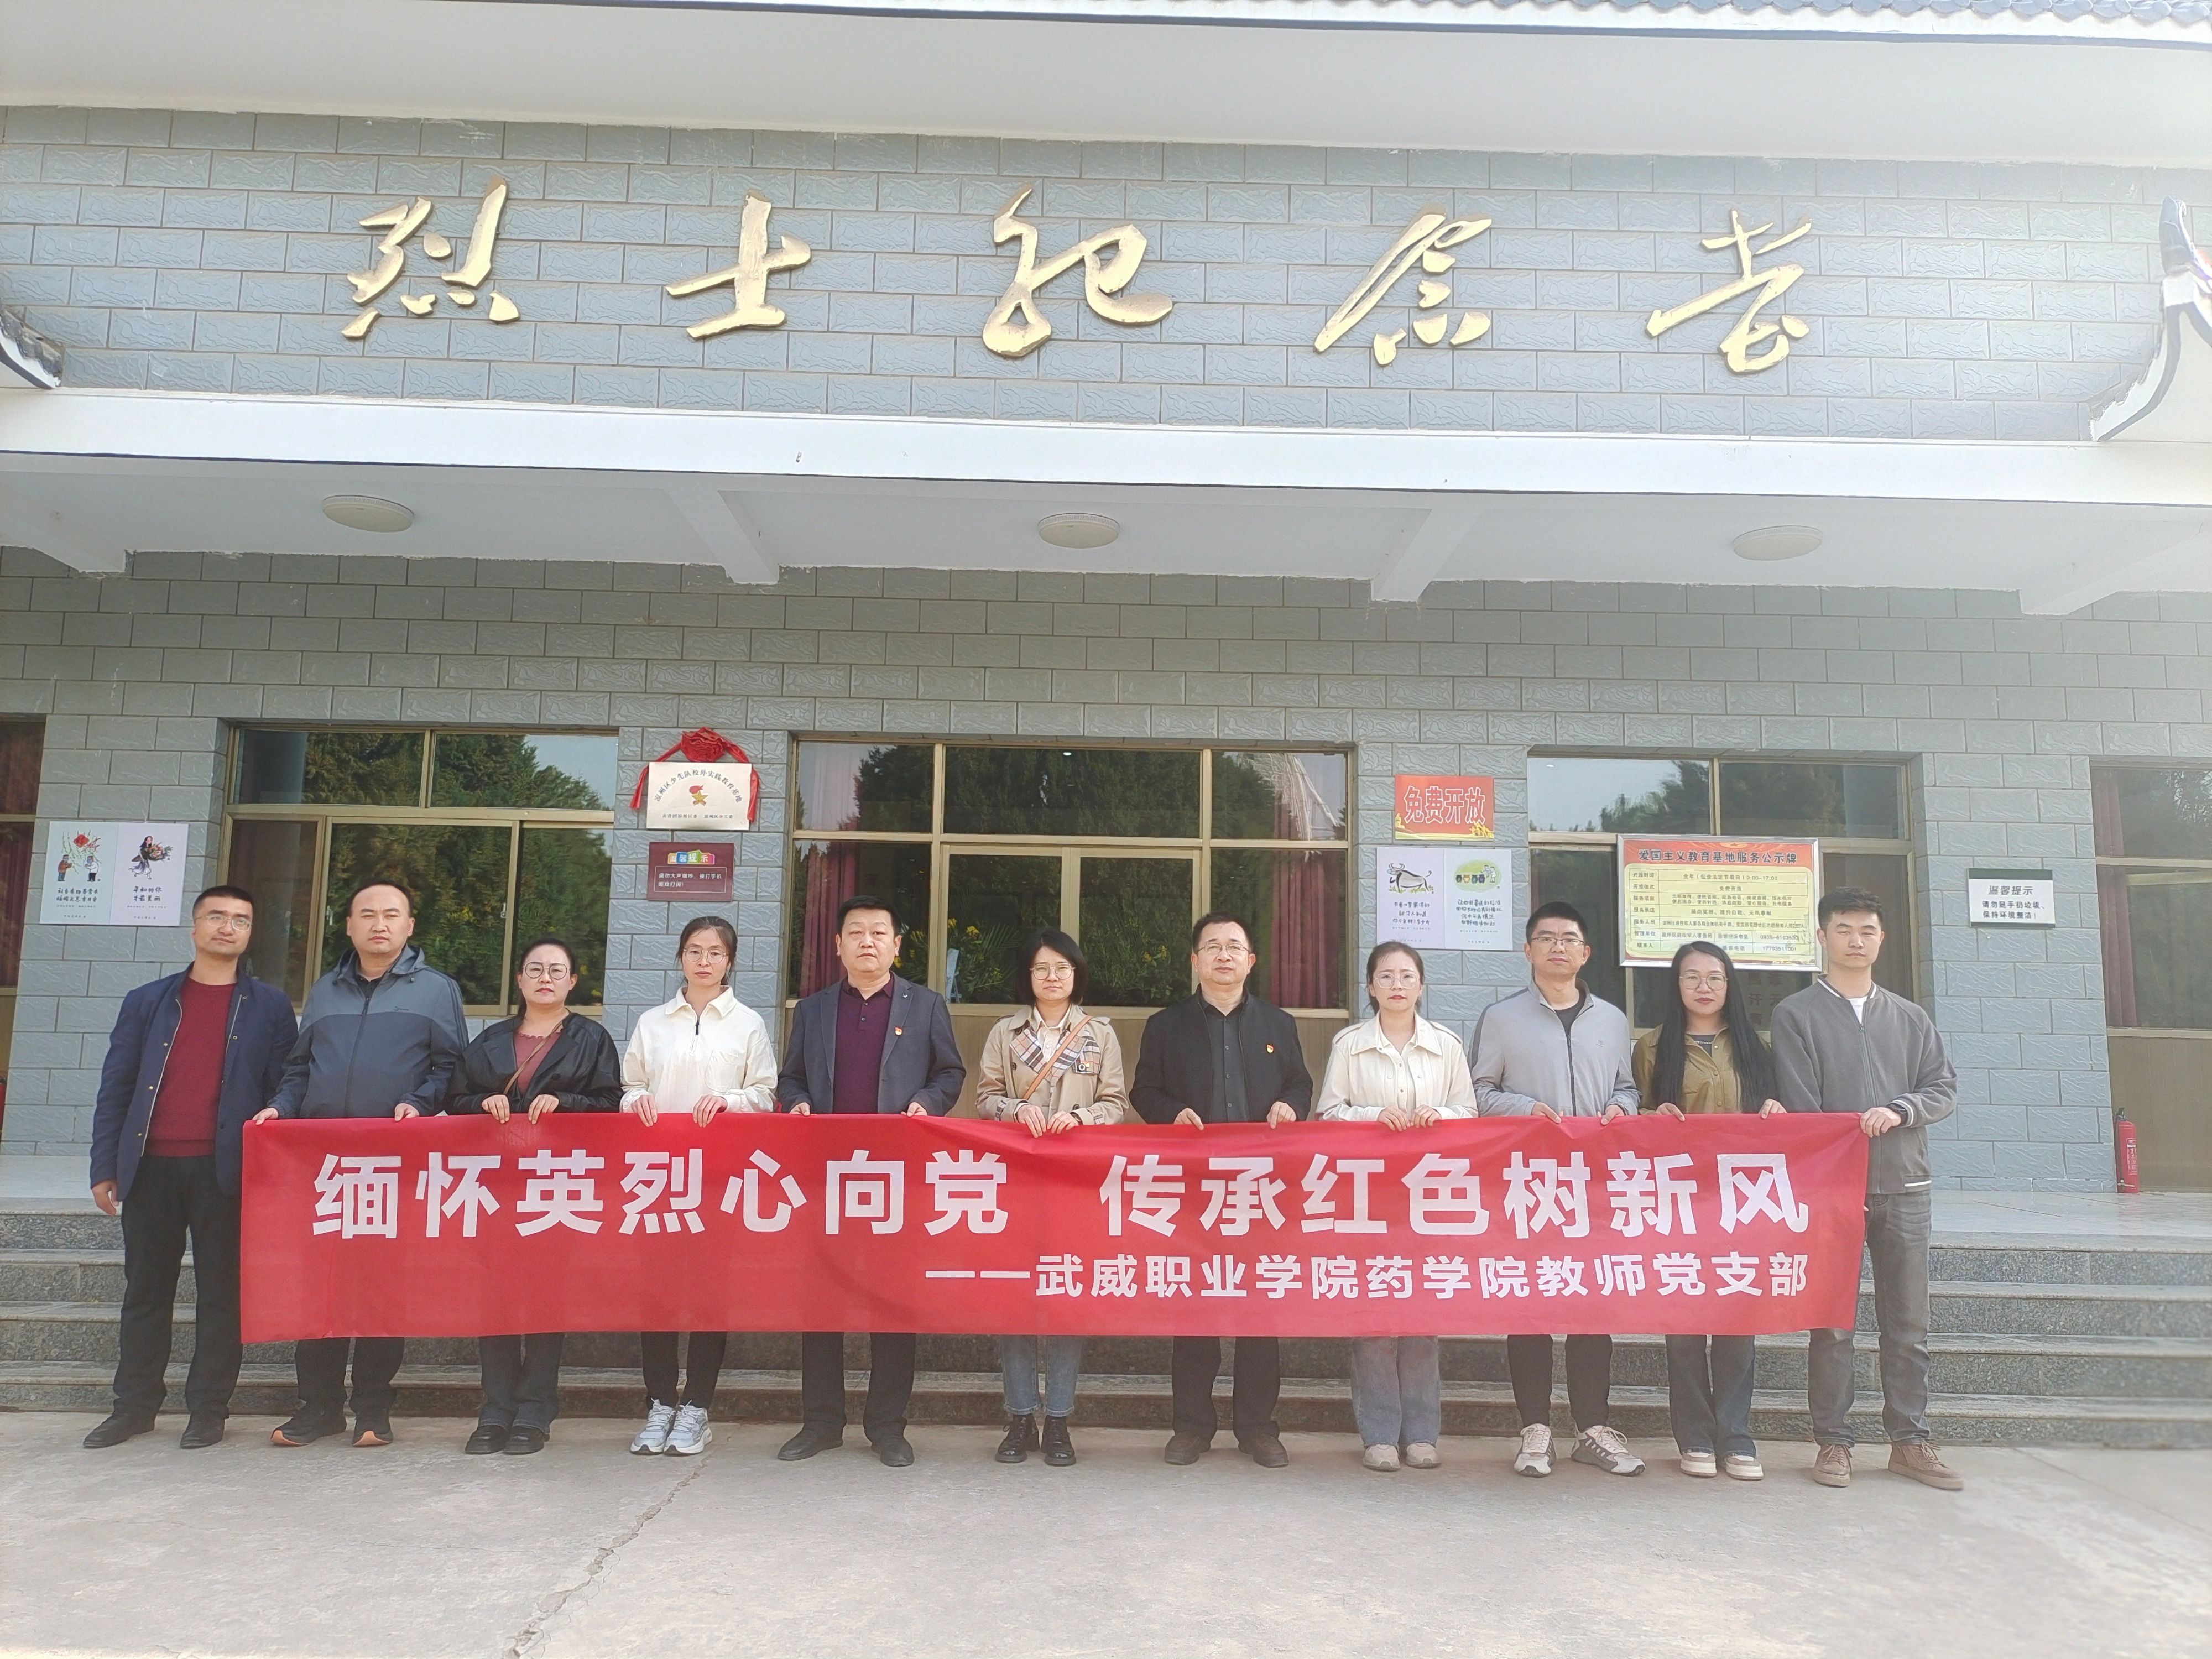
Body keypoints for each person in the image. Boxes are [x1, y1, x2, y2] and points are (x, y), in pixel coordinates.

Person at [81, 885, 298, 1449]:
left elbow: (285, 1087)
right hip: (150, 1168)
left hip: (225, 1172)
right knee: (145, 1292)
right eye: (217, 917)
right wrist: (105, 1165)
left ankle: (208, 1409)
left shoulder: (270, 1006)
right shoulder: (147, 1001)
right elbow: (117, 1087)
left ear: (251, 933)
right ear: (195, 927)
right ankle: (133, 1408)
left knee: (221, 1296)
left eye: (241, 920)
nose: (228, 927)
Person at [251, 878, 465, 1449]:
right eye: (367, 914)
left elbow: (451, 1068)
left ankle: (373, 1408)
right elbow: (300, 1069)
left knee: (379, 1289)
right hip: (323, 1167)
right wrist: (280, 1108)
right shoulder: (325, 990)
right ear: (348, 925)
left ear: (409, 925)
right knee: (319, 1288)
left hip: (392, 1166)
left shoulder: (437, 991)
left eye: (391, 914)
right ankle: (317, 1407)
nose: (379, 923)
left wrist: (419, 1103)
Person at [1772, 887, 1964, 1493]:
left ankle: (1909, 1441)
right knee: (1832, 1325)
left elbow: (1941, 1088)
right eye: (1844, 929)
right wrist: (1843, 1140)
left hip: (1906, 1186)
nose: (1856, 940)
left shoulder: (1910, 1017)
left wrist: (1901, 1109)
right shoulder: (1795, 1014)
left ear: (1882, 939)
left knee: (1908, 1324)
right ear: (1822, 937)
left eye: (1867, 930)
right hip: (1833, 1192)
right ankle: (1833, 1441)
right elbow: (1802, 1104)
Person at [774, 895, 965, 1468]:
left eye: (879, 932)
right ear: (837, 945)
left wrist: (927, 1103)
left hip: (895, 1182)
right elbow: (790, 1077)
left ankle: (887, 1426)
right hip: (826, 1180)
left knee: (893, 1304)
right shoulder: (813, 1010)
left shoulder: (925, 1005)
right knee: (820, 1304)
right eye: (855, 932)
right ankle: (821, 1422)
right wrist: (797, 1103)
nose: (867, 941)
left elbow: (949, 1071)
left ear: (896, 945)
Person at [1131, 910, 1313, 1469]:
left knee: (1260, 1313)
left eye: (1234, 946)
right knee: (1195, 1312)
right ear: (1196, 961)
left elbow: (1300, 1084)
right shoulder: (1166, 1026)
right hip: (1195, 1190)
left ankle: (1257, 1428)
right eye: (1212, 946)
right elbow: (1144, 1091)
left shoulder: (1278, 1024)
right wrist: (1171, 1114)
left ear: (1251, 960)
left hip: (1261, 1191)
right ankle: (1191, 1427)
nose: (1224, 955)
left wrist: (1291, 1107)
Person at [1470, 900, 1645, 1479]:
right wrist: (1527, 1108)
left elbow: (1627, 1088)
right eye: (1546, 938)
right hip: (1529, 1183)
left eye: (1569, 939)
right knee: (1531, 1301)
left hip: (1596, 1184)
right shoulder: (1501, 1018)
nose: (1558, 947)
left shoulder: (1612, 1020)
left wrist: (1621, 1107)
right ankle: (1535, 1429)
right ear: (1528, 950)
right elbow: (1479, 1093)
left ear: (1586, 952)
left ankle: (1592, 1428)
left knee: (1593, 1302)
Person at [447, 936, 623, 1456]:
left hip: (557, 1186)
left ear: (573, 982)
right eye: (536, 969)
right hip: (496, 1188)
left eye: (557, 971)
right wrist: (482, 1104)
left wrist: (565, 1101)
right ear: (520, 979)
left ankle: (535, 1411)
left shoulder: (591, 1039)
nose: (546, 978)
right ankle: (495, 1410)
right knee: (495, 1299)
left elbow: (611, 1103)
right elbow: (453, 1100)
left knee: (547, 1298)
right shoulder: (489, 1042)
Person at [619, 915, 778, 1457]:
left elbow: (765, 1093)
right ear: (681, 957)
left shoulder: (748, 1024)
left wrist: (730, 1102)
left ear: (730, 961)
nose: (703, 961)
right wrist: (634, 1100)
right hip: (659, 1179)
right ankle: (660, 1403)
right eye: (694, 950)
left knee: (711, 1293)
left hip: (719, 1179)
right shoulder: (653, 1022)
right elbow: (630, 1084)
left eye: (714, 952)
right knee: (657, 1293)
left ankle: (696, 1407)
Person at [972, 927, 1131, 1467]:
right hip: (1017, 1184)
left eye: (1062, 968)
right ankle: (1019, 1417)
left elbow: (1116, 1103)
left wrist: (1081, 1118)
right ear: (1029, 976)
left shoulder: (1099, 1034)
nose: (1052, 977)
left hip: (1075, 1184)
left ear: (1076, 974)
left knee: (1066, 1297)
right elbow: (986, 1098)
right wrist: (1015, 1109)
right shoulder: (1005, 1032)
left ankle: (1059, 1419)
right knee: (1016, 1299)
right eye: (1042, 968)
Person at [1316, 941, 1475, 1473]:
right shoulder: (1350, 1045)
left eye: (1408, 976)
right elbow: (1328, 1113)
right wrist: (1372, 1116)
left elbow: (1470, 1113)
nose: (1398, 985)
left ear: (1422, 985)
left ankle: (1423, 1433)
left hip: (1430, 1200)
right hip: (1368, 1201)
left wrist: (1440, 1116)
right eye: (1386, 976)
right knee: (1375, 1318)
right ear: (1371, 986)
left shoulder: (1447, 1045)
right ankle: (1380, 1434)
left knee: (1422, 1319)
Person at [1633, 940, 1788, 1482]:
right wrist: (1653, 1115)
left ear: (1729, 985)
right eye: (1692, 977)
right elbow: (1634, 1116)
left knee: (1737, 1322)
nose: (1704, 987)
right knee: (1684, 1325)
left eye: (1715, 978)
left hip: (1741, 1203)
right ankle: (1695, 1436)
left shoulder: (1756, 1046)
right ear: (1675, 985)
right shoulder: (1653, 1047)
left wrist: (1777, 1109)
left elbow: (1777, 1109)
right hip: (1680, 1201)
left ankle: (1736, 1436)